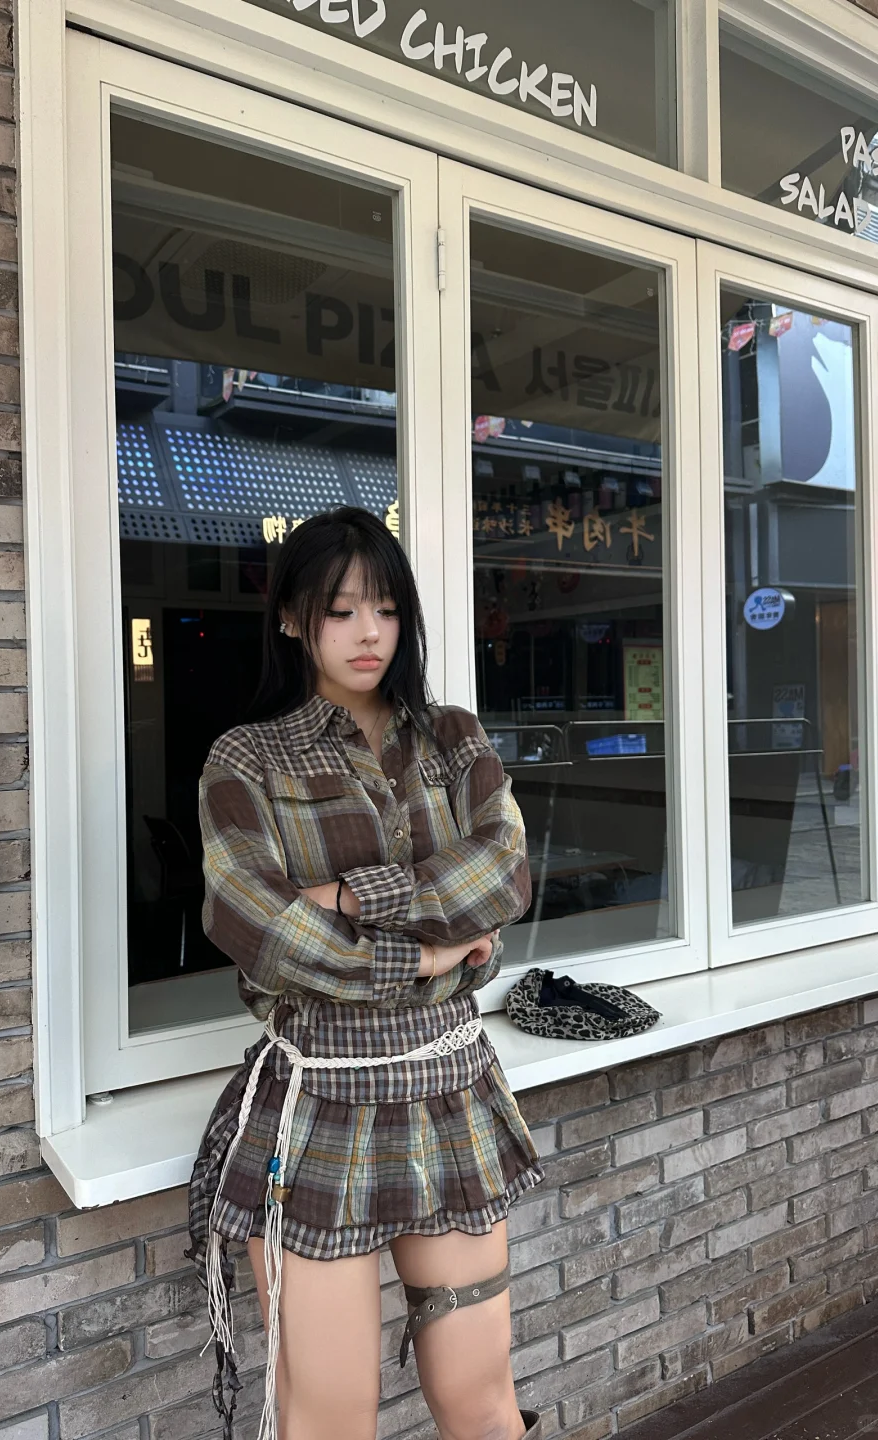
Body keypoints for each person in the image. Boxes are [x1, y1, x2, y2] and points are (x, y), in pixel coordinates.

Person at [188, 507, 546, 1440]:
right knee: (331, 1418)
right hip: (321, 1102)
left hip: (449, 1087)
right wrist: (427, 951)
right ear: (293, 618)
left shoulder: (452, 738)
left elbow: (505, 872)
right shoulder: (248, 759)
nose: (368, 633)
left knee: (482, 1401)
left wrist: (345, 895)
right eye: (341, 610)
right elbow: (258, 925)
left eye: (385, 609)